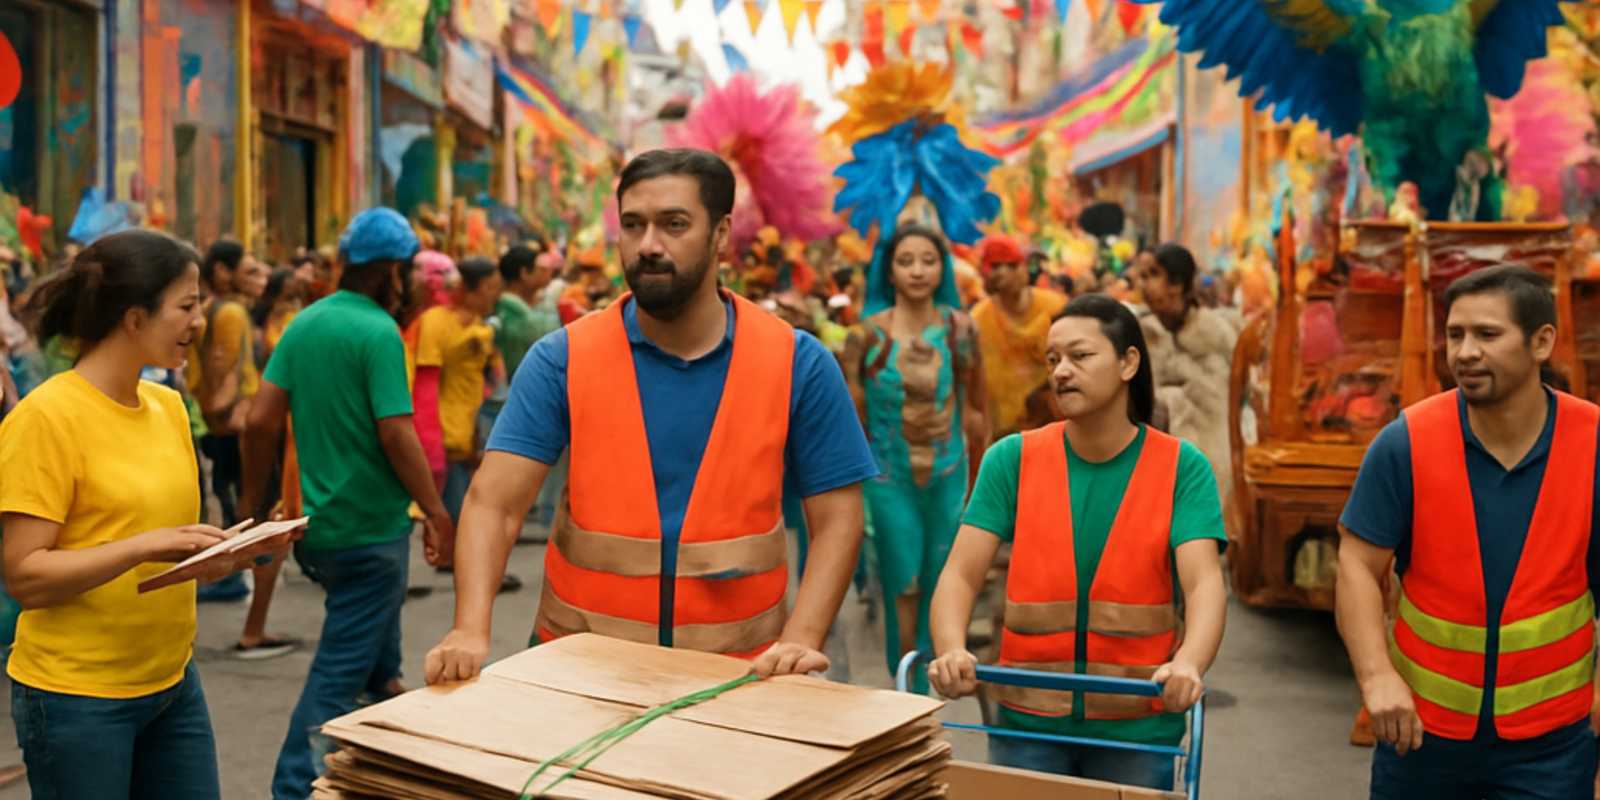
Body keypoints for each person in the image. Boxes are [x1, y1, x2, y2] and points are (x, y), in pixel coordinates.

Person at [423, 148, 878, 684]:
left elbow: (838, 517)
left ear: (721, 233)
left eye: (674, 224)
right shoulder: (564, 357)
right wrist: (469, 628)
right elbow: (494, 503)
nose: (648, 246)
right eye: (633, 225)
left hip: (741, 675)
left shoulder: (797, 362)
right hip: (575, 674)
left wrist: (802, 639)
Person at [0, 230, 297, 799]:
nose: (199, 322)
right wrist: (143, 546)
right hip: (77, 699)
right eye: (187, 307)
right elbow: (26, 575)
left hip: (172, 684)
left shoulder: (166, 405)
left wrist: (223, 551)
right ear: (134, 318)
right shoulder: (47, 418)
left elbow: (163, 550)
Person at [927, 294, 1228, 791]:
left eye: (1080, 356)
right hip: (1025, 718)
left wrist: (1190, 662)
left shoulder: (1182, 466)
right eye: (1053, 360)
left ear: (1129, 362)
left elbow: (1203, 584)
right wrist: (952, 649)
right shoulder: (1012, 460)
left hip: (1137, 726)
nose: (1061, 371)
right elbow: (960, 573)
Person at [1336, 265, 1600, 800]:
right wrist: (1376, 678)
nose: (1464, 352)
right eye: (1455, 335)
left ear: (1541, 342)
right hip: (1420, 738)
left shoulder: (1593, 444)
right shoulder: (1405, 442)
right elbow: (1357, 566)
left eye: (1486, 334)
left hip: (1552, 746)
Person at [237, 208, 455, 800]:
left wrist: (253, 510)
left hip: (319, 535)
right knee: (338, 675)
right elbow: (396, 433)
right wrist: (436, 511)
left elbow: (258, 423)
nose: (409, 281)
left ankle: (388, 759)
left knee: (379, 660)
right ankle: (292, 787)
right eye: (407, 269)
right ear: (390, 270)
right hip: (370, 534)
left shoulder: (304, 325)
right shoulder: (378, 330)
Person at [842, 225, 987, 687]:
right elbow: (851, 422)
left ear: (942, 267)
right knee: (902, 581)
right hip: (889, 479)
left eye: (928, 259)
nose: (918, 270)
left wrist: (984, 484)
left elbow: (978, 408)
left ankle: (935, 676)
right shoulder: (864, 337)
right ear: (889, 269)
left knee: (943, 577)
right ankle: (907, 681)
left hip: (949, 473)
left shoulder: (962, 330)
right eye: (906, 260)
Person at [1132, 244, 1239, 522]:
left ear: (1177, 284)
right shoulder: (1143, 333)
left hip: (1216, 447)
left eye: (1153, 274)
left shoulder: (1214, 332)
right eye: (1141, 276)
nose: (1144, 284)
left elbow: (1236, 389)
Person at [410, 256, 504, 524]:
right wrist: (430, 440)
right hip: (445, 435)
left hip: (474, 434)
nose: (496, 294)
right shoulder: (434, 322)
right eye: (490, 287)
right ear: (466, 286)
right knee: (458, 518)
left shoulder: (480, 326)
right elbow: (425, 384)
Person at [970, 234, 1068, 439]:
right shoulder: (979, 320)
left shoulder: (1054, 306)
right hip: (1003, 433)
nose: (996, 273)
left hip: (1055, 423)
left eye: (1006, 265)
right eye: (993, 266)